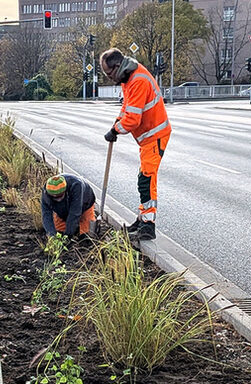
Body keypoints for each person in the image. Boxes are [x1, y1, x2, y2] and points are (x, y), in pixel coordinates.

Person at [99, 47, 171, 242]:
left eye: (109, 74)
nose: (109, 78)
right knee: (144, 177)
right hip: (148, 138)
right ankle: (142, 219)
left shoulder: (137, 80)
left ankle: (148, 225)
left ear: (117, 66)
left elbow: (133, 119)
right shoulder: (128, 78)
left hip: (155, 135)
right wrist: (115, 123)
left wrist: (116, 131)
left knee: (146, 179)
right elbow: (127, 108)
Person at [41, 174, 96, 238]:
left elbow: (75, 213)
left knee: (87, 234)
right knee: (59, 231)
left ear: (65, 190)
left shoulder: (76, 185)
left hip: (85, 203)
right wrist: (52, 235)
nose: (58, 199)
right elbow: (46, 215)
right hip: (62, 208)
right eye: (55, 197)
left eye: (60, 196)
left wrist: (67, 236)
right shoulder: (46, 194)